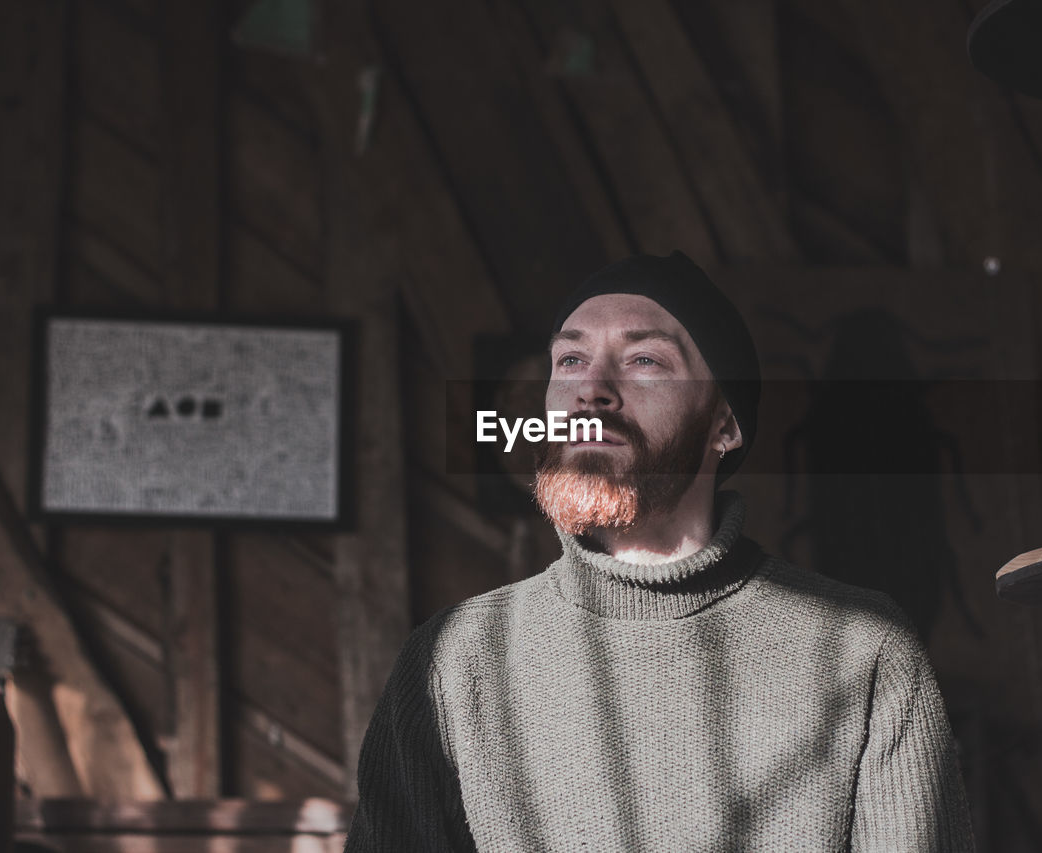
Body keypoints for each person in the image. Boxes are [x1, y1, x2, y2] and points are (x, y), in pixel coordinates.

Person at [344, 252, 975, 852]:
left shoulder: (866, 651)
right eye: (569, 360)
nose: (591, 390)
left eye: (644, 359)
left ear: (725, 424)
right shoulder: (452, 662)